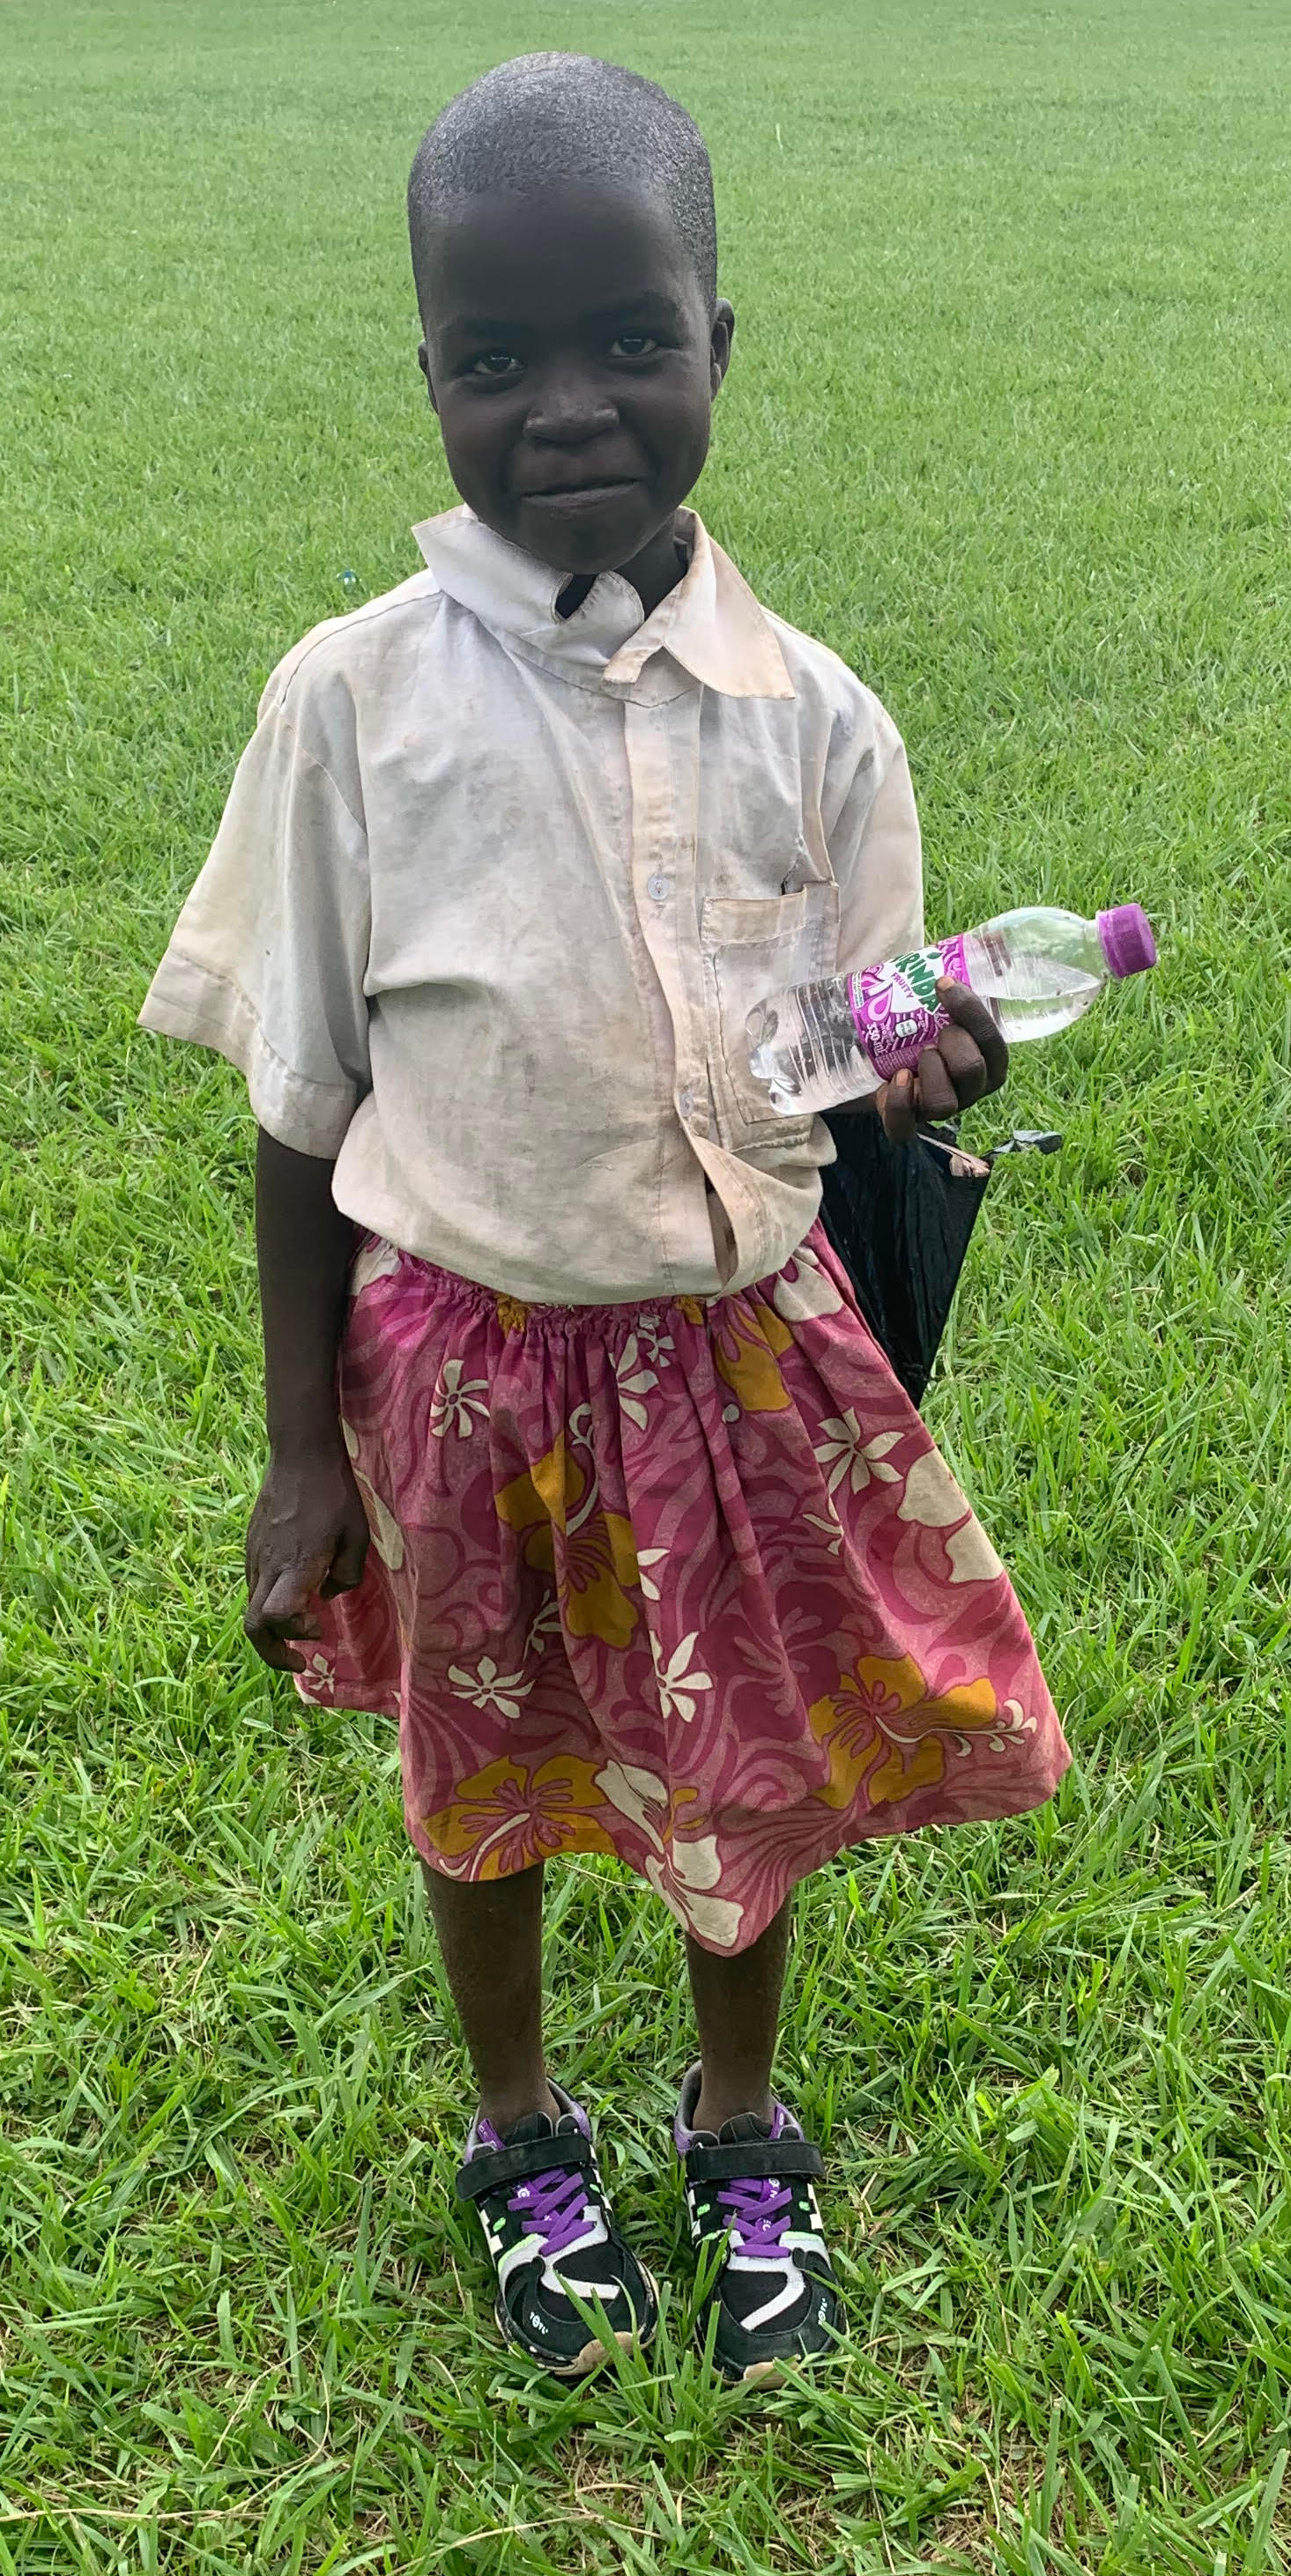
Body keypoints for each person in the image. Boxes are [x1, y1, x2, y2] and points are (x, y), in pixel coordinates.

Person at [139, 53, 1070, 2386]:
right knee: (484, 1771)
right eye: (494, 356)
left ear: (719, 344)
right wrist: (295, 1452)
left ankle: (738, 2122)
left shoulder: (819, 721)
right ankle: (517, 2126)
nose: (567, 405)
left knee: (739, 1757)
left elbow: (845, 1042)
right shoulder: (351, 707)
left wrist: (919, 1062)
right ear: (428, 373)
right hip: (461, 1365)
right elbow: (299, 1108)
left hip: (739, 1354)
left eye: (631, 339)